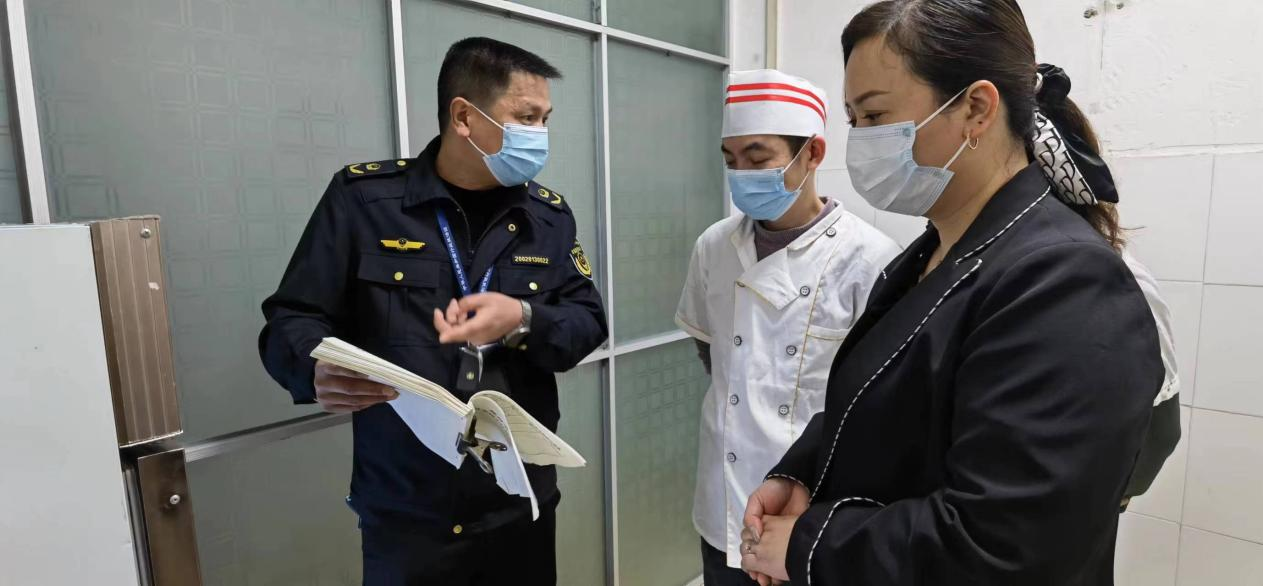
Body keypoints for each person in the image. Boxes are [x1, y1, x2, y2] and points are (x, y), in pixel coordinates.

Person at [738, 1, 1166, 584]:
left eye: (875, 115)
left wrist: (810, 545)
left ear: (976, 108)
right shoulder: (933, 253)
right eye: (854, 119)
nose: (859, 141)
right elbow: (888, 403)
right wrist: (802, 470)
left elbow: (1007, 544)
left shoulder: (1065, 283)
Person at [258, 37, 607, 585]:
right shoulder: (365, 200)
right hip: (406, 513)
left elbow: (587, 323)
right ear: (464, 117)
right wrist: (311, 368)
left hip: (517, 504)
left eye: (545, 119)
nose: (540, 134)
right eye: (526, 118)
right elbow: (292, 316)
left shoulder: (548, 218)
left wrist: (522, 318)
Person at [675, 69, 900, 585]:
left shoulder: (869, 258)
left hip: (811, 508)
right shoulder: (714, 246)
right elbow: (709, 348)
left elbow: (877, 402)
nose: (741, 174)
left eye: (758, 159)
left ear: (813, 153)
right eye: (730, 160)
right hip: (722, 500)